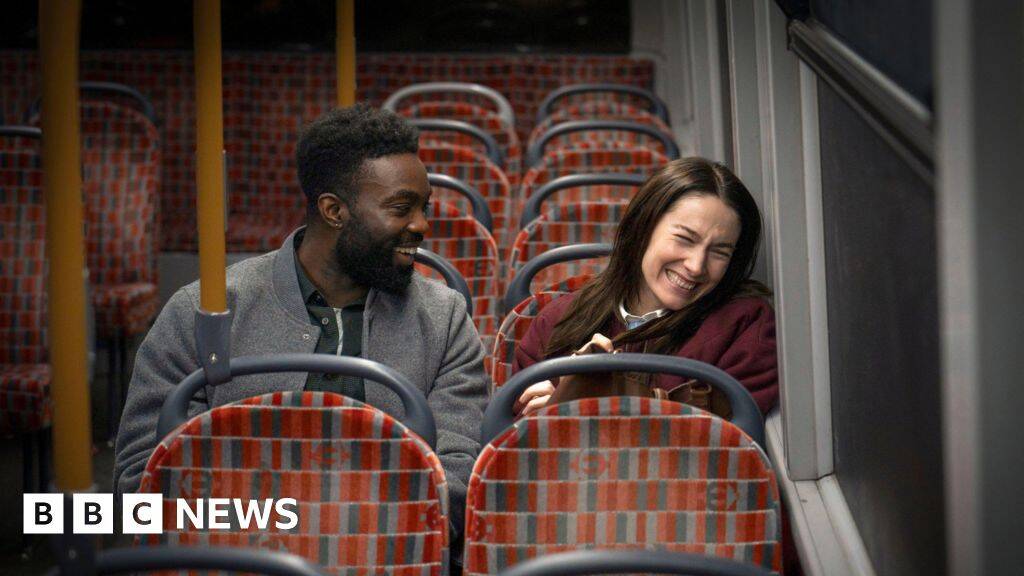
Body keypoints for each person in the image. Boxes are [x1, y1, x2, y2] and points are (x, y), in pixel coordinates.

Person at [114, 105, 489, 541]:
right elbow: (141, 480)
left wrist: (349, 535)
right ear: (333, 211)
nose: (421, 225)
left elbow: (456, 477)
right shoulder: (202, 312)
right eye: (402, 208)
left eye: (424, 208)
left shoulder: (443, 320)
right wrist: (282, 525)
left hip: (385, 550)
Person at [513, 157, 778, 417]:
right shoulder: (557, 321)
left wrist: (592, 405)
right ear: (643, 228)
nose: (697, 266)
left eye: (720, 252)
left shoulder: (745, 327)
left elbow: (730, 436)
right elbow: (511, 436)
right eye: (685, 239)